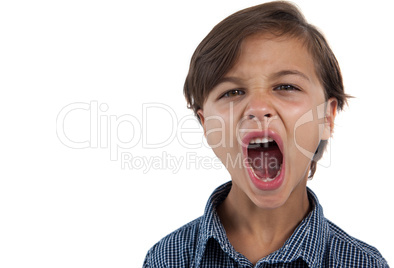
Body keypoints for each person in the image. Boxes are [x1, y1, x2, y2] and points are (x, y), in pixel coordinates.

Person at [143, 1, 388, 267]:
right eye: (232, 92)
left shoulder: (364, 263)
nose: (258, 108)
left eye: (285, 86)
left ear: (326, 117)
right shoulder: (167, 258)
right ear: (206, 126)